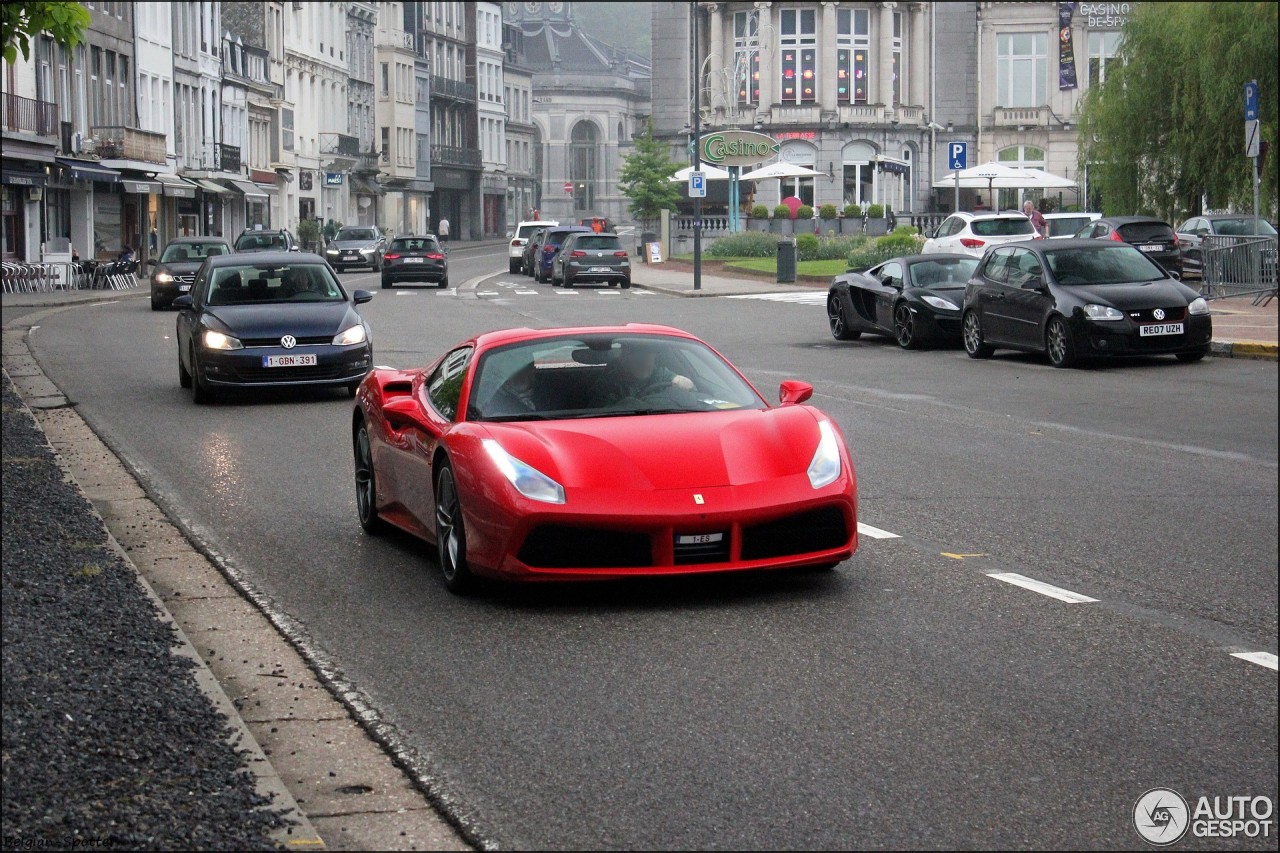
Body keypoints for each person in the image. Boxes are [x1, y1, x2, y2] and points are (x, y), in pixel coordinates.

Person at [600, 341, 694, 405]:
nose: (643, 360)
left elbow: (690, 388)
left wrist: (682, 382)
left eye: (647, 354)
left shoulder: (661, 374)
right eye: (636, 355)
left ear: (654, 358)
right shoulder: (608, 382)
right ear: (623, 358)